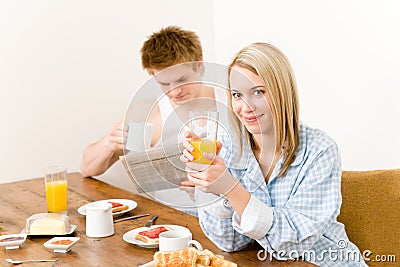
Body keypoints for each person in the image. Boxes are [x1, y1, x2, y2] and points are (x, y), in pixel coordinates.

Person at [181, 42, 367, 266]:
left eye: (258, 92)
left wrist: (230, 188)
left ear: (282, 92)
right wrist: (209, 183)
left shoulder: (320, 150)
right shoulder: (228, 146)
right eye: (237, 95)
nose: (246, 107)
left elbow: (291, 245)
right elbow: (229, 242)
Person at [81, 26, 216, 179]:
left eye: (181, 80)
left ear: (199, 64)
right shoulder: (151, 115)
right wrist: (109, 144)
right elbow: (87, 169)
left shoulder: (232, 104)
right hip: (162, 204)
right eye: (165, 83)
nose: (175, 91)